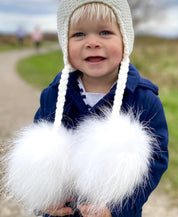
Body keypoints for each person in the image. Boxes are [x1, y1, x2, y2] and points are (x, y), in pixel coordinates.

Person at [32, 0, 169, 216]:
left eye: (105, 32)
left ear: (125, 39)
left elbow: (155, 162)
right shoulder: (53, 96)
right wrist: (43, 199)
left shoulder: (144, 100)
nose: (92, 42)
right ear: (64, 43)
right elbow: (37, 156)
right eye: (79, 35)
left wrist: (118, 209)